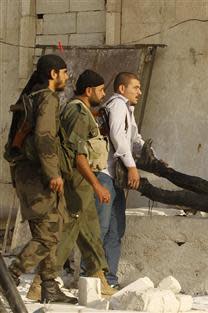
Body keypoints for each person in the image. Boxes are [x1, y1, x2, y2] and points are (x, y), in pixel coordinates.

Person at [26, 70, 117, 300]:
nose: (104, 94)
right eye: (101, 90)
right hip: (77, 181)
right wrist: (96, 184)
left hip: (82, 183)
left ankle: (99, 277)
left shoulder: (83, 111)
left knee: (91, 232)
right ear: (89, 91)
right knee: (67, 231)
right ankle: (40, 283)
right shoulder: (77, 113)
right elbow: (78, 156)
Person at [4, 54, 77, 304]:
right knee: (48, 234)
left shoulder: (30, 97)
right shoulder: (47, 97)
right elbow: (45, 137)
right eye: (64, 72)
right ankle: (9, 276)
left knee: (48, 229)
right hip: (38, 177)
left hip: (26, 175)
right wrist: (53, 174)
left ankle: (49, 286)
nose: (67, 78)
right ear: (53, 74)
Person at [95, 72, 145, 288]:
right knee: (101, 228)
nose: (140, 92)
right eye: (136, 87)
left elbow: (134, 139)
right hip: (106, 174)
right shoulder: (117, 105)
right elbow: (117, 136)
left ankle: (109, 279)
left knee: (116, 229)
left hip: (116, 177)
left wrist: (155, 159)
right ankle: (91, 277)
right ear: (122, 89)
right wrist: (132, 167)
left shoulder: (128, 110)